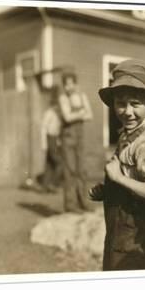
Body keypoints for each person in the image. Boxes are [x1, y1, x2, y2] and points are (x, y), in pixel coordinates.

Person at [89, 59, 145, 271]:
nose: (127, 111)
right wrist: (109, 189)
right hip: (122, 236)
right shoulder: (129, 133)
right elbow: (132, 175)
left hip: (136, 245)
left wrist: (119, 178)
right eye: (121, 103)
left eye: (135, 104)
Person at [58, 67, 93, 213]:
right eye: (66, 84)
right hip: (68, 137)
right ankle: (70, 205)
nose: (69, 87)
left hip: (80, 137)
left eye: (71, 83)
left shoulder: (82, 96)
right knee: (70, 171)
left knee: (82, 170)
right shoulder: (62, 98)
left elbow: (90, 115)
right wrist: (81, 112)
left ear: (75, 84)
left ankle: (83, 202)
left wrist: (77, 114)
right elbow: (67, 117)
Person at [38, 86, 63, 193]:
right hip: (50, 137)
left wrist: (58, 140)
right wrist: (44, 143)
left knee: (49, 163)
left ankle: (45, 186)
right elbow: (43, 128)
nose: (57, 105)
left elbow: (58, 128)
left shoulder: (58, 113)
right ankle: (53, 183)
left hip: (55, 138)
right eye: (55, 103)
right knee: (59, 162)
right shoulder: (49, 113)